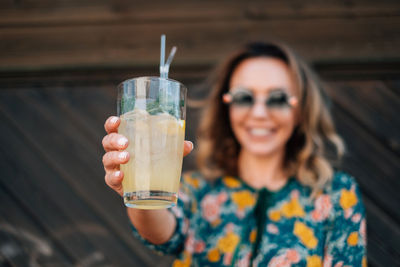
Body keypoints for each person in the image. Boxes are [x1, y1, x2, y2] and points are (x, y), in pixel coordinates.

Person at [102, 42, 367, 266]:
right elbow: (161, 231)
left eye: (277, 98)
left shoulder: (336, 195)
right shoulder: (196, 190)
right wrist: (136, 186)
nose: (260, 113)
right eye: (244, 97)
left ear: (300, 110)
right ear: (226, 107)